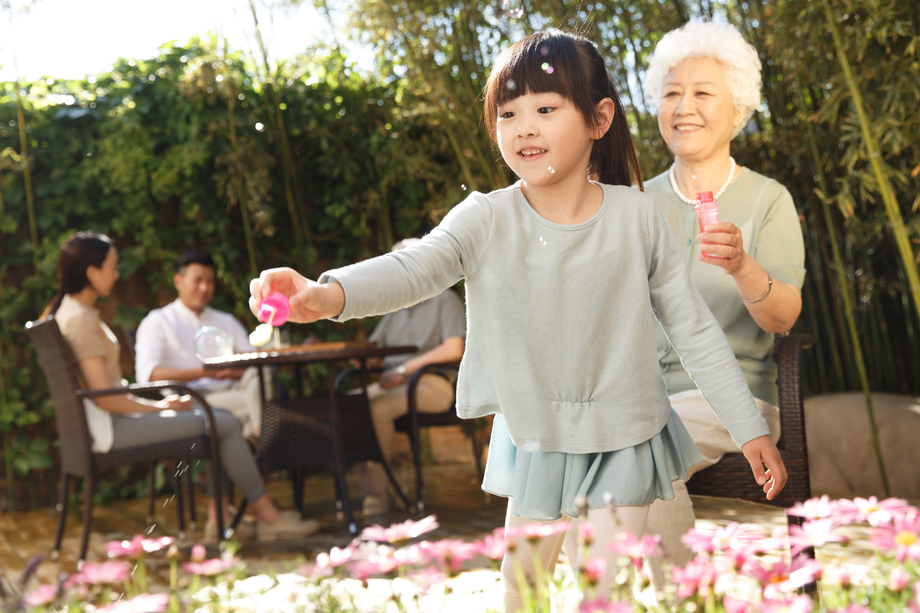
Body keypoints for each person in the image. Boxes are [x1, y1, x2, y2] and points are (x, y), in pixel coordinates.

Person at [248, 30, 787, 611]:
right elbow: (414, 268)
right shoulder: (485, 218)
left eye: (546, 108)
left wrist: (747, 427)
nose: (524, 126)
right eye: (508, 112)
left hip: (626, 436)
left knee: (602, 594)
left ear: (598, 118)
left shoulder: (638, 216)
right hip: (535, 436)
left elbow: (693, 329)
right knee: (519, 593)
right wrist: (326, 294)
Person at [636, 21, 807, 583]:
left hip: (734, 396)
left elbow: (782, 317)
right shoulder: (633, 203)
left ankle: (677, 595)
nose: (684, 107)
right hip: (642, 395)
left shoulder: (767, 200)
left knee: (641, 451)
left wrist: (741, 265)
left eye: (703, 92)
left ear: (738, 108)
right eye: (671, 92)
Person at [43, 232, 319, 542]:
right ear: (91, 272)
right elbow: (104, 398)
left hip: (113, 421)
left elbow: (103, 394)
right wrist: (160, 406)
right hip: (112, 426)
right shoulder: (80, 319)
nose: (117, 274)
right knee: (221, 422)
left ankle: (223, 518)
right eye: (112, 267)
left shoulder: (71, 313)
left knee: (219, 422)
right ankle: (268, 516)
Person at [353, 238, 466, 516]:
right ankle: (382, 485)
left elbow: (455, 349)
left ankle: (377, 493)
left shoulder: (444, 299)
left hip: (434, 383)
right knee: (347, 406)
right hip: (397, 383)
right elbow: (373, 349)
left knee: (378, 408)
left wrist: (404, 370)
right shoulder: (395, 307)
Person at [134, 250, 264, 441]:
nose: (204, 288)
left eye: (210, 281)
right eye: (197, 280)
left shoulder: (226, 320)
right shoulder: (158, 321)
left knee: (262, 372)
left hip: (238, 387)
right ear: (178, 281)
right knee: (265, 406)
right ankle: (261, 433)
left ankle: (257, 435)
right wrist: (205, 372)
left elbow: (252, 361)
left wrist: (229, 373)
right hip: (194, 398)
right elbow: (150, 375)